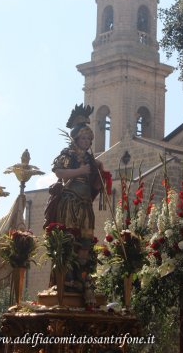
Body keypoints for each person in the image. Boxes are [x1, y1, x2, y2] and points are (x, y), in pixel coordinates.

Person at [44, 104, 107, 303]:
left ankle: (84, 276)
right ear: (75, 138)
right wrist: (80, 171)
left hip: (85, 203)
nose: (87, 142)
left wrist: (100, 173)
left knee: (86, 239)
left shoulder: (90, 158)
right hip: (70, 201)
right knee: (70, 238)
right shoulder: (68, 154)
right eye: (84, 138)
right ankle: (68, 278)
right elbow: (58, 172)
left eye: (89, 138)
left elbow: (95, 179)